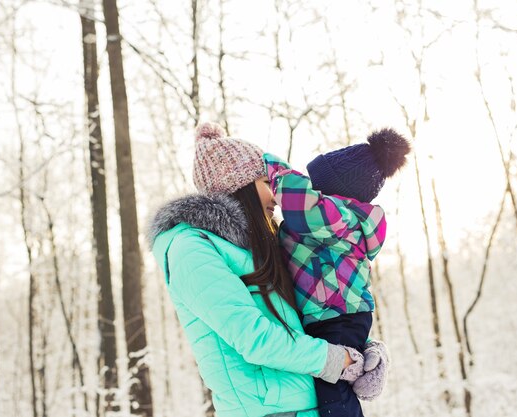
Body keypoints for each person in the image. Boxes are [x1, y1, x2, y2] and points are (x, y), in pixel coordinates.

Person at [148, 122, 378, 417]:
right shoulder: (190, 248)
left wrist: (364, 351)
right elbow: (254, 338)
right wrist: (340, 360)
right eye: (267, 183)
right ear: (239, 184)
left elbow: (311, 315)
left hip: (318, 404)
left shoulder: (263, 246)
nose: (276, 196)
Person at [262, 128, 411, 417]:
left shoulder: (337, 216)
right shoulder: (337, 223)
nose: (312, 189)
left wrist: (273, 168)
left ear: (336, 191)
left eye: (318, 185)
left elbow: (299, 201)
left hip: (335, 315)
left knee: (333, 391)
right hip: (340, 313)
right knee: (335, 385)